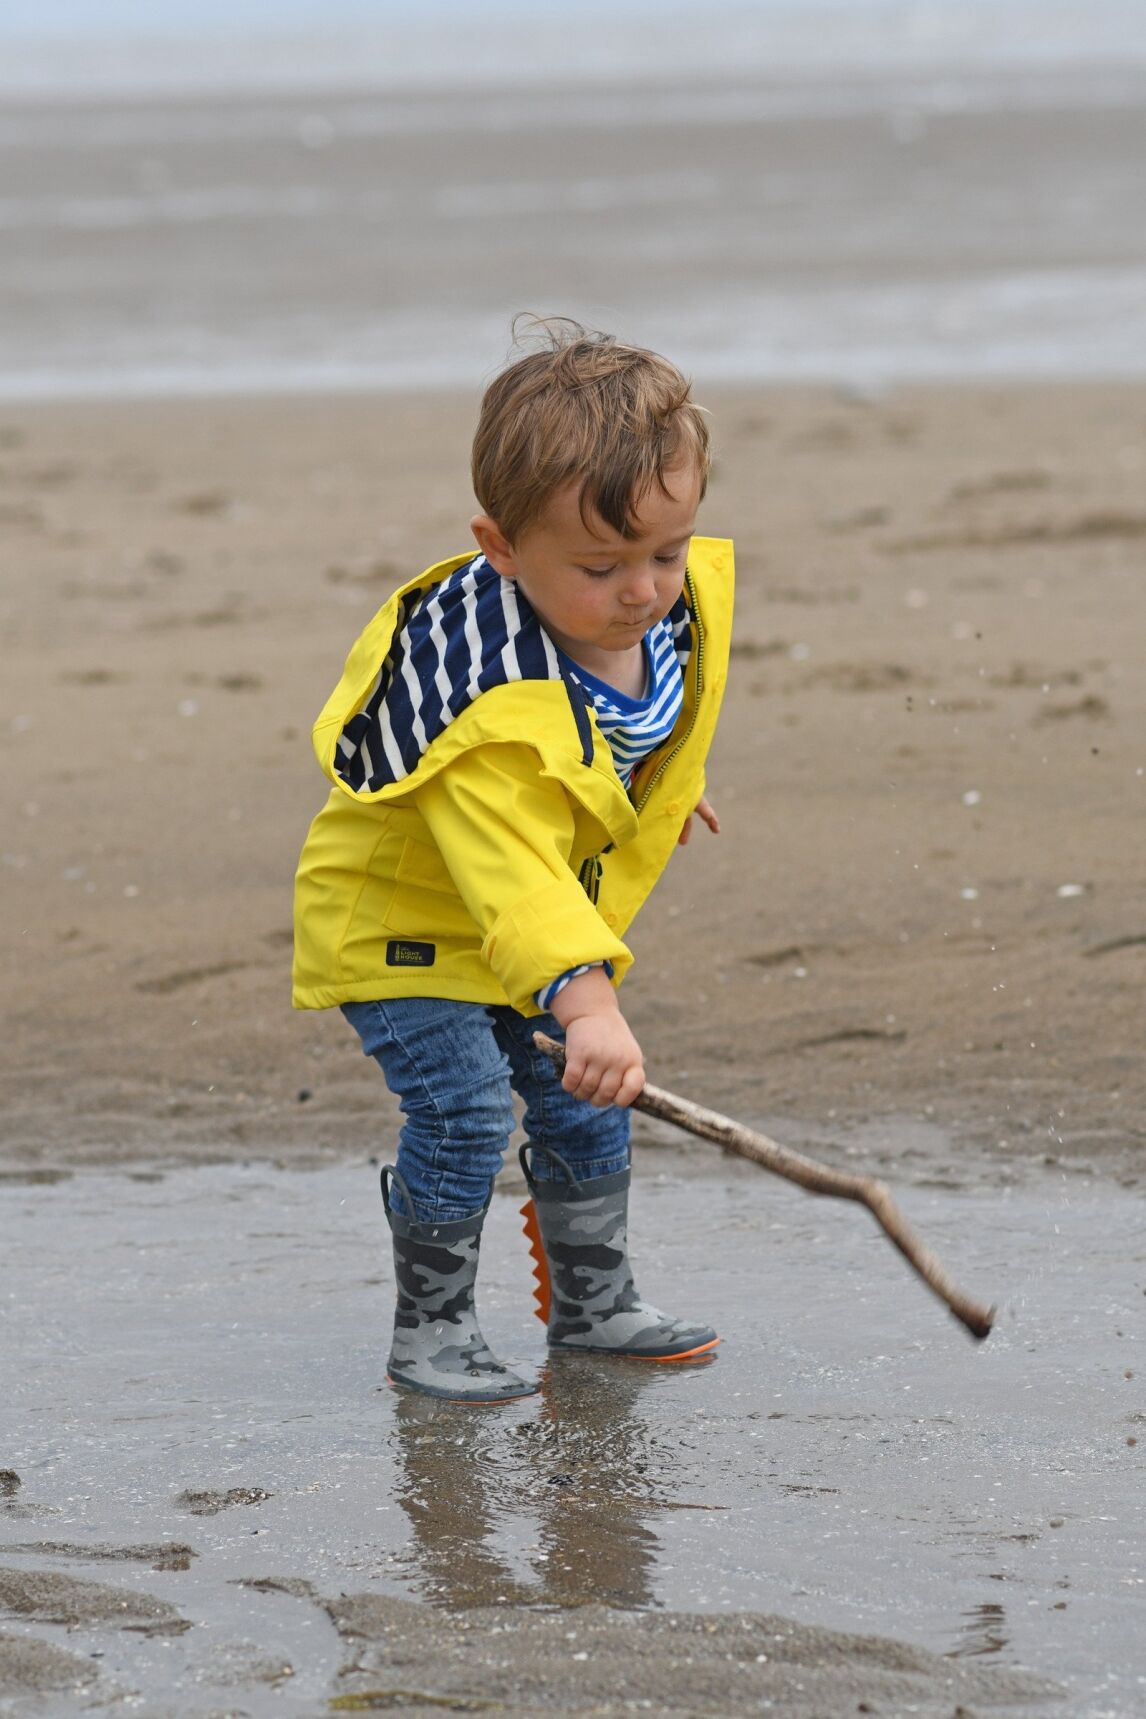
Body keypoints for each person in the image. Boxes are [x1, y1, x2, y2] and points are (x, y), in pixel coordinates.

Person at [292, 321, 734, 1402]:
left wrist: (651, 794)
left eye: (667, 553)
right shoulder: (479, 706)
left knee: (586, 1101)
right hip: (411, 929)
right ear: (501, 548)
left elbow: (621, 732)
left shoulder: (642, 619)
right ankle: (431, 1329)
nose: (643, 589)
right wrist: (588, 1002)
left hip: (530, 932)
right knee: (468, 1110)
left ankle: (593, 1306)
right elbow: (512, 875)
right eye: (602, 565)